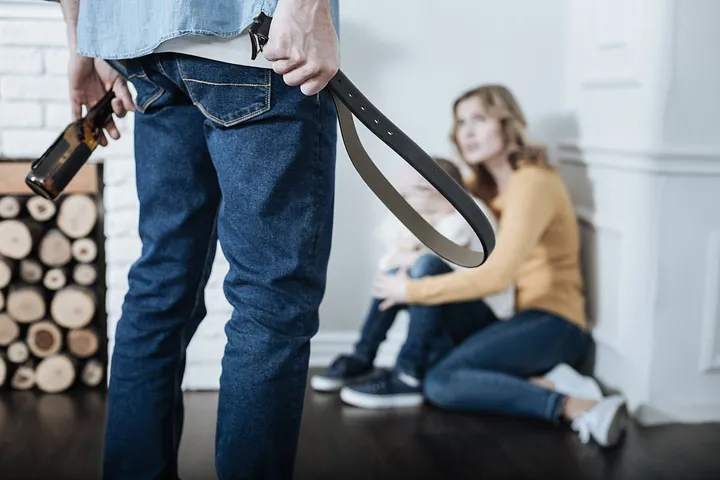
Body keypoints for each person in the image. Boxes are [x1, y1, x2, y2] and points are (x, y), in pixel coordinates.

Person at [54, 0, 340, 479]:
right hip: (255, 38)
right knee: (269, 299)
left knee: (162, 280)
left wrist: (82, 38)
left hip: (142, 46)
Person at [342, 84, 629, 448]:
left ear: (508, 124)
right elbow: (423, 214)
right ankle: (545, 379)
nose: (468, 132)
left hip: (552, 322)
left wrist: (410, 291)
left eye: (479, 119)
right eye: (461, 123)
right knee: (424, 271)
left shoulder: (534, 181)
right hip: (505, 318)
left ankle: (577, 405)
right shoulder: (481, 187)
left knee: (442, 382)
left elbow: (497, 276)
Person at [311, 158, 514, 395]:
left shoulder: (470, 214)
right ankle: (363, 356)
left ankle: (409, 371)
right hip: (446, 306)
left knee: (424, 265)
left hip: (484, 316)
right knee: (395, 275)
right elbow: (388, 262)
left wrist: (410, 261)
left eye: (413, 192)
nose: (406, 200)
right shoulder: (422, 220)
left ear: (436, 189)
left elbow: (446, 262)